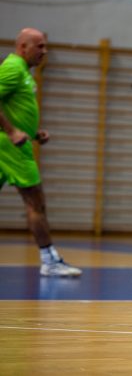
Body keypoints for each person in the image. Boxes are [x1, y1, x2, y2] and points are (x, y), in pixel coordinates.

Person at [0, 28, 82, 277]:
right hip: (11, 148)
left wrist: (33, 132)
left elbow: (14, 109)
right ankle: (50, 261)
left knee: (35, 203)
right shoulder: (13, 68)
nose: (45, 52)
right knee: (36, 203)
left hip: (12, 144)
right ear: (23, 47)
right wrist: (12, 132)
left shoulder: (23, 72)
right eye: (40, 46)